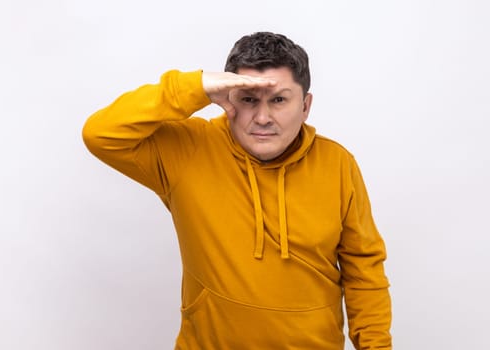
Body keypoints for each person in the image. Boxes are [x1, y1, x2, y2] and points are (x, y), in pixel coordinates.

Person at [83, 32, 392, 349]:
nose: (262, 118)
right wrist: (197, 87)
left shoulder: (338, 164)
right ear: (228, 98)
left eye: (279, 100)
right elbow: (100, 134)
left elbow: (364, 272)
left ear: (306, 106)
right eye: (248, 99)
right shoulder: (190, 150)